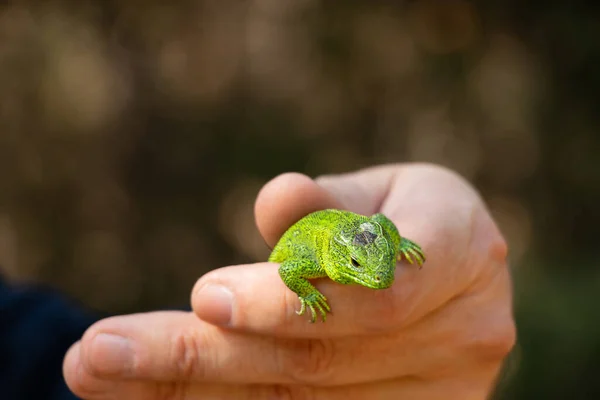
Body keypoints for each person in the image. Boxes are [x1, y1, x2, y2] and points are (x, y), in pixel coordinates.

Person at [56, 163, 514, 399]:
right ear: (339, 258)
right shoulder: (314, 261)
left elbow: (381, 223)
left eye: (378, 264)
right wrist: (310, 294)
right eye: (358, 266)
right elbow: (289, 272)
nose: (378, 279)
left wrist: (404, 244)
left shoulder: (373, 237)